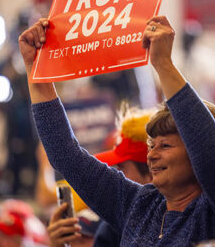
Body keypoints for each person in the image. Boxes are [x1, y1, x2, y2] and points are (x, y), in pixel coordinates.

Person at [18, 15, 215, 246]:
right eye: (152, 145)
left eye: (165, 145)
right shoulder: (138, 204)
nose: (151, 155)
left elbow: (211, 156)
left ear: (195, 153)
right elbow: (66, 156)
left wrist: (163, 64)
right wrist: (37, 69)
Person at [47, 105, 153, 246]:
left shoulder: (180, 224)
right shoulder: (112, 223)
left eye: (121, 170)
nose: (112, 175)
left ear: (154, 172)